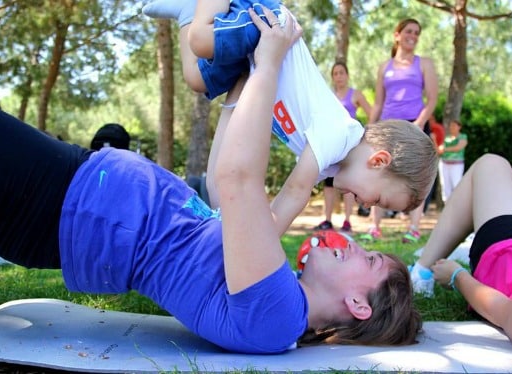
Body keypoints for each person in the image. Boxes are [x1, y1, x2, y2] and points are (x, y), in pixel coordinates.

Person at [0, 8, 421, 353]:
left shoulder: (278, 315)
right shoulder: (278, 289)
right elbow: (227, 191)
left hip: (60, 207)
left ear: (358, 304)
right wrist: (241, 87)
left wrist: (269, 64)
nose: (355, 245)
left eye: (370, 259)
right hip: (76, 194)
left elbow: (237, 178)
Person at [143, 0, 438, 235]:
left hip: (256, 59)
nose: (367, 204)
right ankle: (197, 16)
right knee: (200, 39)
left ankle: (186, 9)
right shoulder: (339, 135)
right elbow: (294, 193)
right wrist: (262, 249)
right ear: (379, 161)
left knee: (197, 78)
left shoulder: (332, 164)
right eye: (379, 200)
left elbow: (234, 178)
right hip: (271, 26)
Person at [408, 151, 512, 356]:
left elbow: (501, 309)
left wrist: (457, 276)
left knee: (490, 164)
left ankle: (421, 273)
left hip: (511, 265)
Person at [360, 18, 438, 244]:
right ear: (397, 35)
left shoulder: (424, 64)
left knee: (416, 175)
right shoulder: (385, 67)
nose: (412, 35)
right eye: (408, 31)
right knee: (379, 172)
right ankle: (374, 226)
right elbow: (378, 103)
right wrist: (369, 127)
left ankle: (413, 228)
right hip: (387, 125)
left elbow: (432, 99)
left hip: (414, 123)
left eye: (416, 32)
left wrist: (419, 123)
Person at [314, 61, 372, 233]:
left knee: (347, 184)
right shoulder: (327, 95)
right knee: (329, 184)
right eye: (336, 73)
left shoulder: (356, 95)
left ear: (347, 75)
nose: (339, 76)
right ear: (332, 77)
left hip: (349, 146)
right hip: (331, 145)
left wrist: (365, 136)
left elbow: (372, 114)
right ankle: (327, 220)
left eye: (342, 73)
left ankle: (347, 221)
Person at [437, 119, 467, 202]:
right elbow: (439, 149)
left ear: (459, 127)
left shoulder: (462, 137)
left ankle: (458, 205)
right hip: (444, 164)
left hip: (456, 165)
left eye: (454, 125)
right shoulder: (446, 138)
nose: (452, 127)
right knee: (445, 185)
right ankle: (447, 205)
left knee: (456, 184)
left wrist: (445, 149)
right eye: (451, 125)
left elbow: (459, 147)